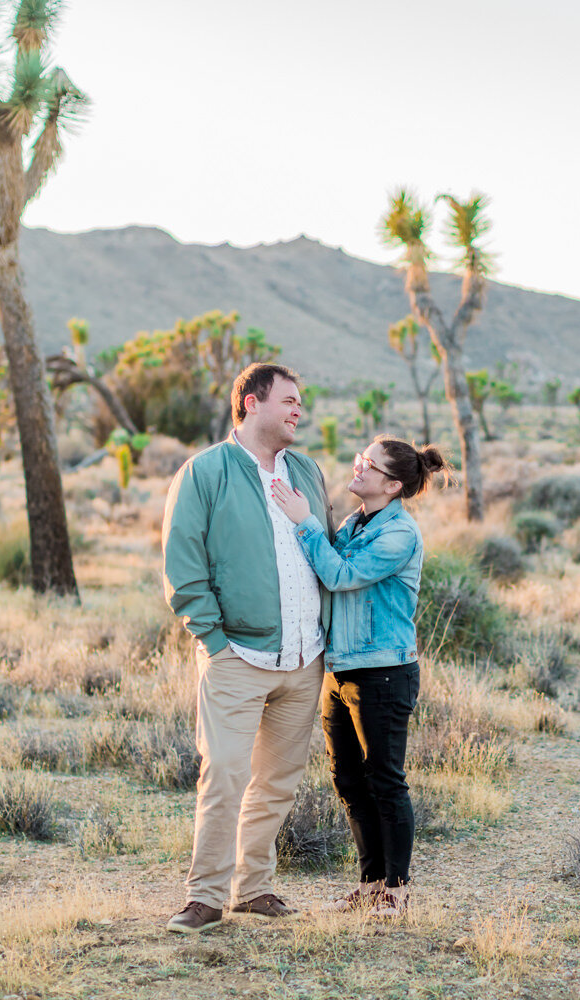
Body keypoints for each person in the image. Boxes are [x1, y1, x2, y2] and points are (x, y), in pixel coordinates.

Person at [160, 363, 335, 934]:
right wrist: (214, 641)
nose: (298, 411)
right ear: (252, 402)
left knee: (277, 782)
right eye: (288, 400)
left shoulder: (307, 471)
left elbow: (325, 546)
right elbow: (183, 564)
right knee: (227, 775)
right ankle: (205, 896)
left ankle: (252, 888)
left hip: (304, 658)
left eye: (300, 402)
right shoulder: (205, 472)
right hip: (237, 655)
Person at [269, 435, 446, 919]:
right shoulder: (354, 522)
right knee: (348, 780)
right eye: (360, 457)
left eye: (369, 464)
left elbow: (341, 576)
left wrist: (303, 522)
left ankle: (398, 889)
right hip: (341, 667)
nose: (358, 466)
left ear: (391, 484)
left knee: (385, 781)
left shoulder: (399, 534)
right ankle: (370, 885)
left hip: (383, 672)